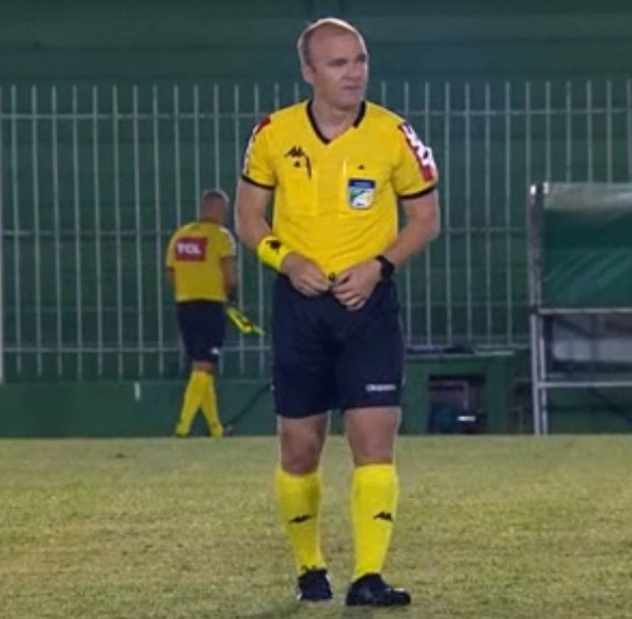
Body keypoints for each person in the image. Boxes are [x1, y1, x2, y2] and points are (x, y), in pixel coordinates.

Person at [234, 17, 440, 607]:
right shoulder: (273, 134)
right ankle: (309, 568)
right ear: (309, 72)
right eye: (338, 63)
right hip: (300, 308)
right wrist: (285, 259)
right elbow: (249, 220)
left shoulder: (393, 134)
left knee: (374, 439)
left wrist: (380, 265)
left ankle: (369, 577)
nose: (354, 74)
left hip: (368, 308)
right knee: (300, 448)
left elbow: (426, 220)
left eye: (360, 60)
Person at [165, 189, 236, 438]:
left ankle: (216, 428)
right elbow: (229, 272)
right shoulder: (221, 237)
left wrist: (187, 286)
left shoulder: (180, 236)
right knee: (205, 364)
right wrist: (231, 294)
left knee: (201, 366)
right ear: (217, 210)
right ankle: (183, 426)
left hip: (184, 304)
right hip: (211, 305)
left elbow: (170, 273)